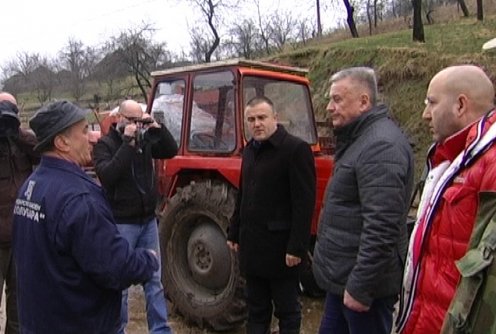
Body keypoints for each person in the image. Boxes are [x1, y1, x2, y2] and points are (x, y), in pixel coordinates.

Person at [12, 100, 160, 333]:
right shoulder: (79, 199)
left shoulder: (30, 187)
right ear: (62, 142)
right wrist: (148, 259)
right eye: (83, 131)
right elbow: (114, 268)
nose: (92, 137)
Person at [312, 67, 414, 334]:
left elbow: (382, 227)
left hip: (363, 288)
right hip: (345, 278)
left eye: (337, 99)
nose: (329, 107)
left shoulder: (380, 146)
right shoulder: (359, 139)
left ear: (364, 101)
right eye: (330, 100)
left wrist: (360, 287)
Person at [396, 65, 496, 333]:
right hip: (425, 316)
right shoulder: (449, 158)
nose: (425, 115)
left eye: (431, 103)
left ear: (461, 105)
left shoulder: (491, 163)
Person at [227, 96, 316, 334]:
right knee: (256, 311)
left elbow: (303, 203)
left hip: (281, 251)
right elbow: (244, 193)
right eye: (251, 119)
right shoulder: (249, 151)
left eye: (262, 118)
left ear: (275, 118)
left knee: (287, 311)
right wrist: (234, 231)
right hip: (253, 249)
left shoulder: (295, 150)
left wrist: (297, 247)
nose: (257, 124)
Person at [92, 99, 178, 334]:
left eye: (138, 120)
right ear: (119, 118)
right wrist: (128, 144)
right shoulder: (105, 145)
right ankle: (118, 329)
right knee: (119, 283)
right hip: (121, 223)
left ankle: (160, 329)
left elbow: (171, 150)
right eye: (132, 120)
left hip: (147, 221)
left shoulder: (145, 140)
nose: (136, 125)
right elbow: (108, 176)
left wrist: (155, 126)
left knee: (154, 281)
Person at [0, 92, 39, 334]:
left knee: (18, 302)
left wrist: (17, 132)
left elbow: (43, 150)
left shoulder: (23, 141)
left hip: (20, 236)